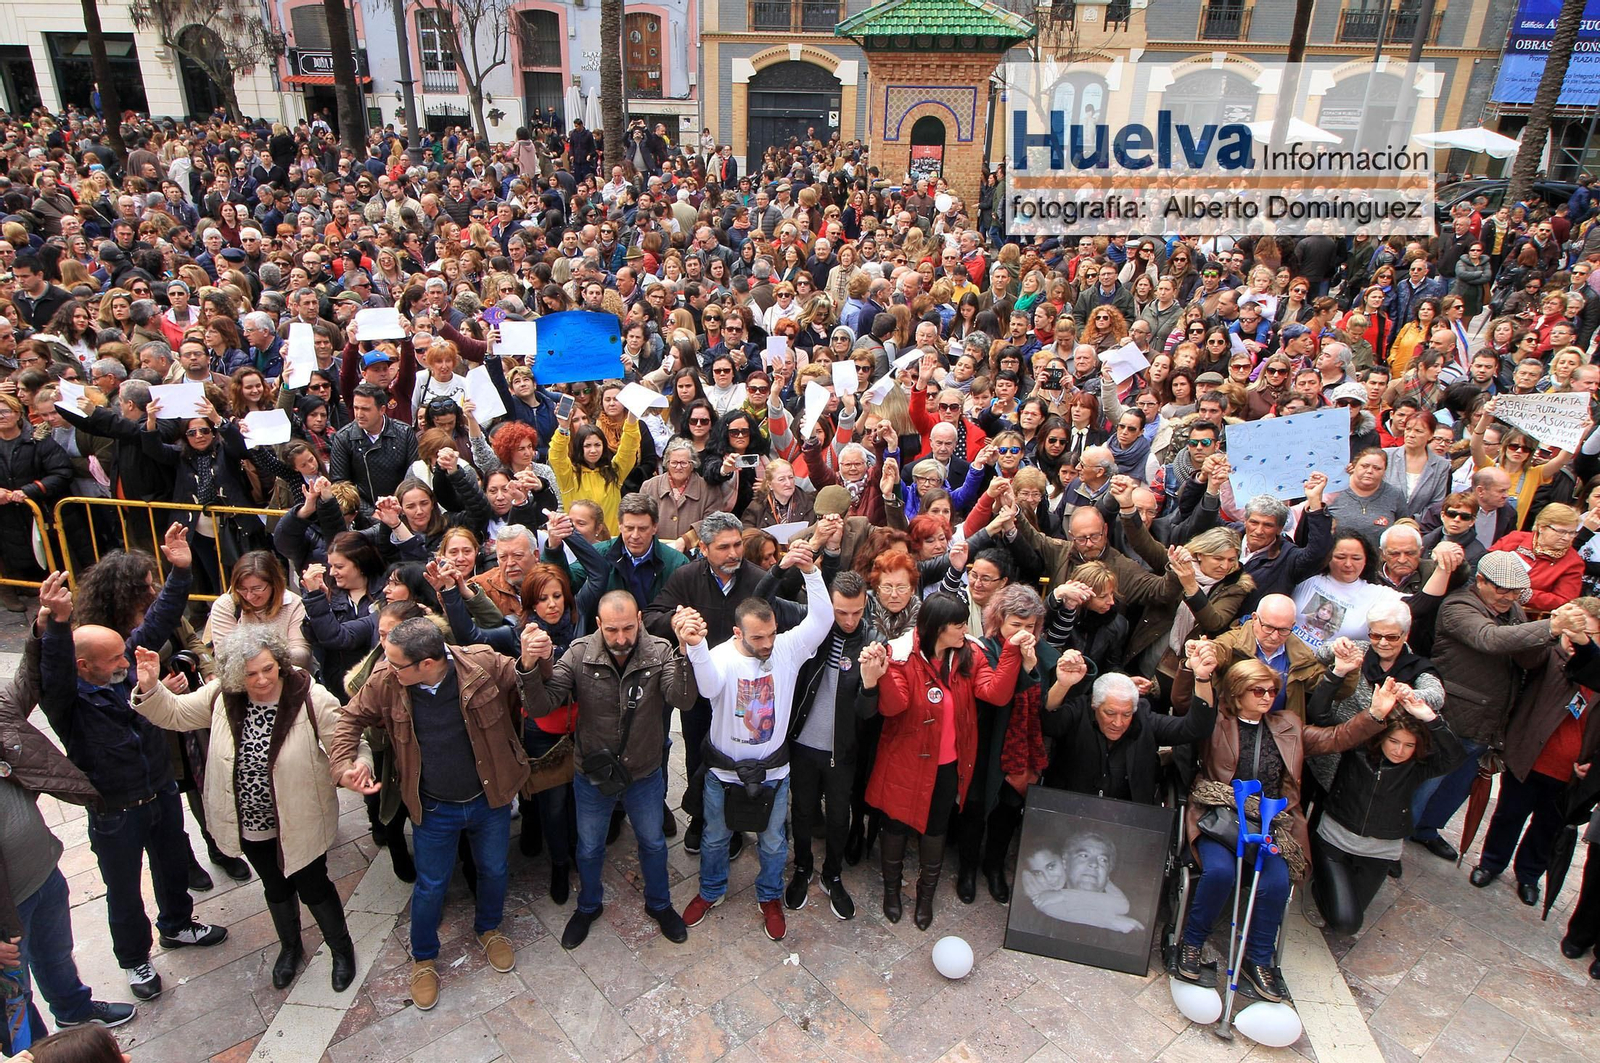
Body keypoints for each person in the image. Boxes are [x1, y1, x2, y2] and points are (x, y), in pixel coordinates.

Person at [36, 529, 229, 1003]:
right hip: (115, 809)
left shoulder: (122, 668)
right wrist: (56, 626)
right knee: (123, 889)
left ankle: (178, 924)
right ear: (84, 666)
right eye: (115, 657)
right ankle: (134, 959)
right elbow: (54, 670)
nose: (129, 658)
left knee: (171, 863)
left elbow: (158, 622)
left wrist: (181, 572)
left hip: (159, 788)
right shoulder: (67, 700)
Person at [128, 626, 357, 992]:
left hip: (299, 818)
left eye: (268, 668)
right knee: (275, 886)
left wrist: (354, 770)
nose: (262, 679)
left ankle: (341, 950)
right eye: (251, 673)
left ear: (279, 663)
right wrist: (151, 688)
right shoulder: (223, 695)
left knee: (314, 886)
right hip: (250, 823)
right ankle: (290, 948)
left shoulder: (308, 696)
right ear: (236, 674)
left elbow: (346, 741)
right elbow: (175, 714)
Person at [329, 617, 529, 1011]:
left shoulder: (482, 665)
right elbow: (349, 717)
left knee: (493, 870)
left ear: (427, 663)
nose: (386, 666)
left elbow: (528, 679)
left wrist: (535, 658)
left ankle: (489, 928)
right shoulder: (387, 680)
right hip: (433, 807)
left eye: (396, 661)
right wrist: (343, 766)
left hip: (489, 802)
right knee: (431, 885)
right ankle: (424, 958)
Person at [1176, 657, 1388, 1003]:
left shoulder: (1287, 725)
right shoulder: (1216, 722)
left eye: (1272, 690)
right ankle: (1192, 941)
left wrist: (1374, 716)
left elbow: (1335, 738)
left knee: (1276, 882)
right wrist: (1193, 670)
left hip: (1272, 822)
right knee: (1219, 872)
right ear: (1236, 693)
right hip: (1221, 816)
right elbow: (1186, 704)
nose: (1267, 696)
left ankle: (1259, 958)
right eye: (1258, 691)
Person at [518, 590, 699, 950]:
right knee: (588, 848)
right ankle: (588, 906)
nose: (620, 638)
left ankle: (660, 904)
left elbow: (683, 699)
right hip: (593, 774)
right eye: (612, 630)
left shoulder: (660, 651)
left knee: (652, 843)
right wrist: (527, 665)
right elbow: (542, 706)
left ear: (641, 620)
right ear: (598, 624)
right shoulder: (580, 653)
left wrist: (684, 651)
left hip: (644, 772)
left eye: (628, 628)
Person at [0, 572, 136, 1034]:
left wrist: (49, 625)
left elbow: (29, 684)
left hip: (40, 873)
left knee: (55, 955)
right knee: (11, 998)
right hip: (3, 910)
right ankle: (34, 1049)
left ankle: (74, 1009)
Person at [679, 539, 833, 943]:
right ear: (737, 632)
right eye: (758, 639)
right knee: (714, 836)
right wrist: (695, 648)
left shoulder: (786, 648)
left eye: (770, 636)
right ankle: (710, 891)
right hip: (723, 772)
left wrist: (811, 572)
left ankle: (769, 897)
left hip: (773, 770)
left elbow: (822, 620)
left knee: (773, 842)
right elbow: (708, 686)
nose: (766, 645)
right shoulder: (721, 655)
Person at [1411, 553, 1585, 862]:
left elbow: (1529, 660)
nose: (1510, 597)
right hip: (1450, 715)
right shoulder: (1457, 606)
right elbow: (1488, 638)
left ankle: (1426, 830)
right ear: (1480, 581)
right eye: (1502, 589)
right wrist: (1550, 627)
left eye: (1516, 591)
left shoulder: (1513, 609)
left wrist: (1548, 640)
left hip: (1486, 721)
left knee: (1456, 787)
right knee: (1425, 783)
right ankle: (1395, 838)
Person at [869, 592, 1027, 929]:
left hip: (948, 766)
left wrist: (1011, 651)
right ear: (938, 628)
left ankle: (926, 896)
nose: (965, 629)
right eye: (958, 624)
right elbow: (894, 707)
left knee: (936, 830)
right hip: (904, 762)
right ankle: (892, 891)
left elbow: (996, 693)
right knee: (895, 826)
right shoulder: (900, 654)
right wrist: (882, 673)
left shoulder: (970, 654)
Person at [1473, 596, 1600, 907]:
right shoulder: (1548, 653)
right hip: (1529, 758)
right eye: (1572, 630)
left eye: (1587, 633)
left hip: (1570, 770)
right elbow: (1524, 656)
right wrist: (1552, 629)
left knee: (1548, 827)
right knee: (1508, 815)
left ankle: (1529, 875)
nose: (1576, 638)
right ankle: (1491, 862)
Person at [1310, 680, 1460, 934]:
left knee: (1349, 919)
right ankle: (1319, 883)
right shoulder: (1357, 750)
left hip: (1379, 852)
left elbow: (1455, 757)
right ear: (1382, 738)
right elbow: (1320, 715)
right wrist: (1342, 679)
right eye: (1394, 742)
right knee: (1345, 922)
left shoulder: (1417, 767)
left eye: (1409, 745)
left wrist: (1431, 718)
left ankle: (1328, 886)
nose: (1400, 751)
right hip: (1335, 841)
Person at [783, 569, 886, 919]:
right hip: (803, 743)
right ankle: (802, 867)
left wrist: (870, 684)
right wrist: (796, 564)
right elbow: (766, 600)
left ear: (865, 604)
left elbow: (866, 714)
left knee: (840, 816)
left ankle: (833, 873)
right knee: (802, 810)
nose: (849, 619)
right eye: (841, 612)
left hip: (842, 750)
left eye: (856, 612)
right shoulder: (815, 625)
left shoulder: (873, 641)